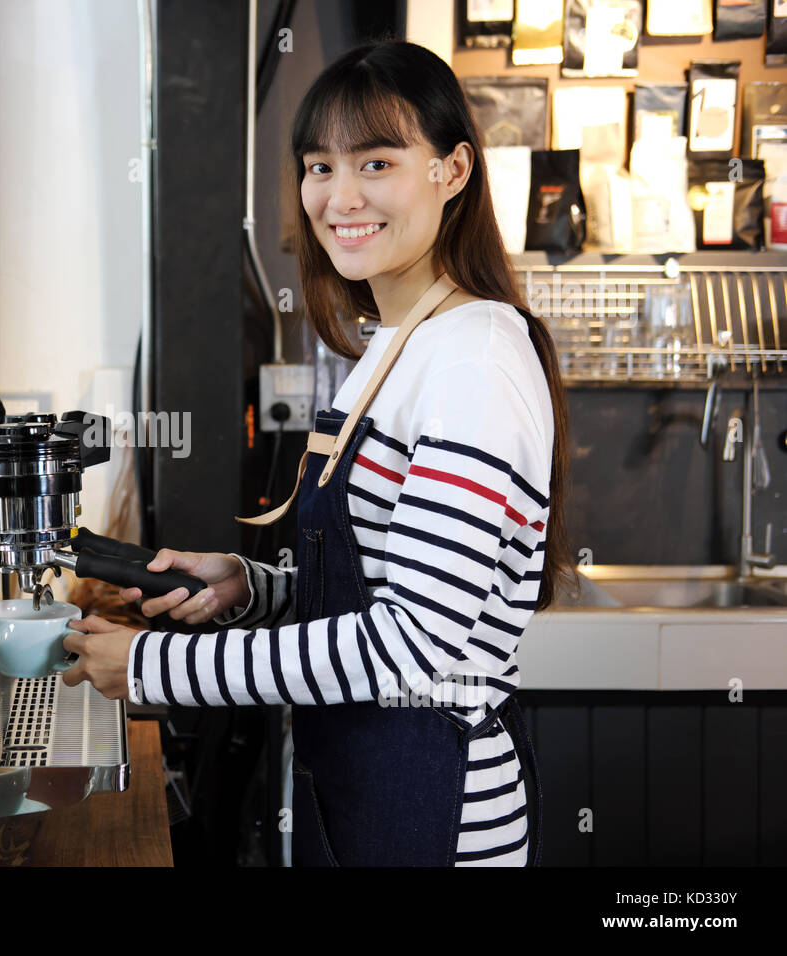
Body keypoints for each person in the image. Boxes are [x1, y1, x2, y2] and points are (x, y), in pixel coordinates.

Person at [62, 38, 573, 867]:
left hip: (442, 812)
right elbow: (377, 583)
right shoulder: (399, 344)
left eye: (376, 162)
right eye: (318, 166)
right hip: (364, 788)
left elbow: (411, 641)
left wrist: (159, 668)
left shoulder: (474, 357)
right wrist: (251, 587)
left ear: (453, 171)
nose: (340, 196)